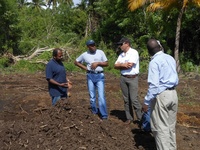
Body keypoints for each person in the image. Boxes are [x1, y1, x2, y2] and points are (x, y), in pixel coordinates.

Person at [142, 39, 179, 150]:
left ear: (149, 51)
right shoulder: (170, 58)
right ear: (160, 47)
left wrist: (146, 102)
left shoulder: (154, 62)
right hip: (173, 94)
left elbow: (153, 86)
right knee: (170, 127)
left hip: (162, 96)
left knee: (161, 128)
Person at [74, 40, 108, 120]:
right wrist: (85, 68)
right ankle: (94, 112)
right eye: (91, 45)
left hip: (99, 75)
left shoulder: (100, 52)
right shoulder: (85, 54)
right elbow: (76, 62)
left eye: (93, 45)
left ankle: (104, 115)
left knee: (101, 96)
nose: (93, 47)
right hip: (90, 75)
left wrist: (98, 63)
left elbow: (106, 63)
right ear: (88, 46)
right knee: (92, 96)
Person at [114, 37, 142, 124]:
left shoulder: (134, 52)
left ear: (127, 43)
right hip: (123, 78)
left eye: (121, 44)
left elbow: (129, 65)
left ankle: (141, 119)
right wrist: (123, 64)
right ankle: (129, 117)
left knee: (134, 99)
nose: (120, 46)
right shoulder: (121, 54)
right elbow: (115, 66)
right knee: (126, 99)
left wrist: (120, 65)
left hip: (132, 78)